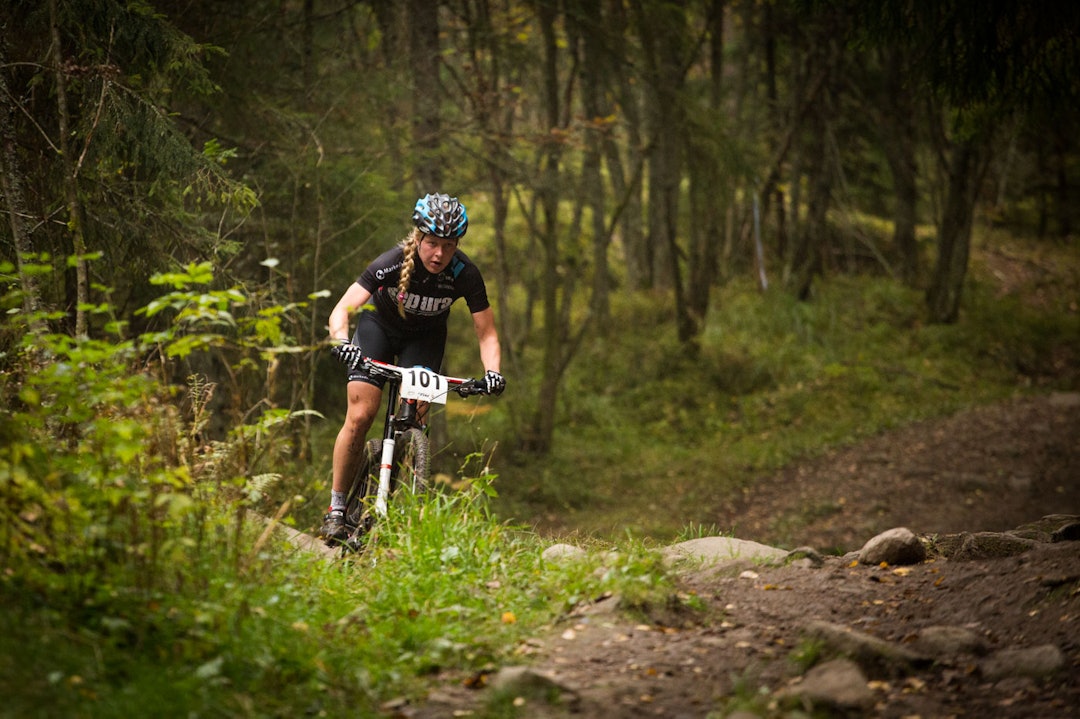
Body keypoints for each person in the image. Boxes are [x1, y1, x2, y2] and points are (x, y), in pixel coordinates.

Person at [320, 192, 505, 544]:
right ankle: (337, 508)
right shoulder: (390, 262)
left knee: (415, 421)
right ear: (418, 238)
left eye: (448, 246)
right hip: (378, 331)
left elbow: (487, 333)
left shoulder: (466, 274)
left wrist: (492, 372)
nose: (439, 254)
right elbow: (342, 309)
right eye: (432, 243)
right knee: (360, 416)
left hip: (425, 339)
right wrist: (343, 344)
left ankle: (396, 500)